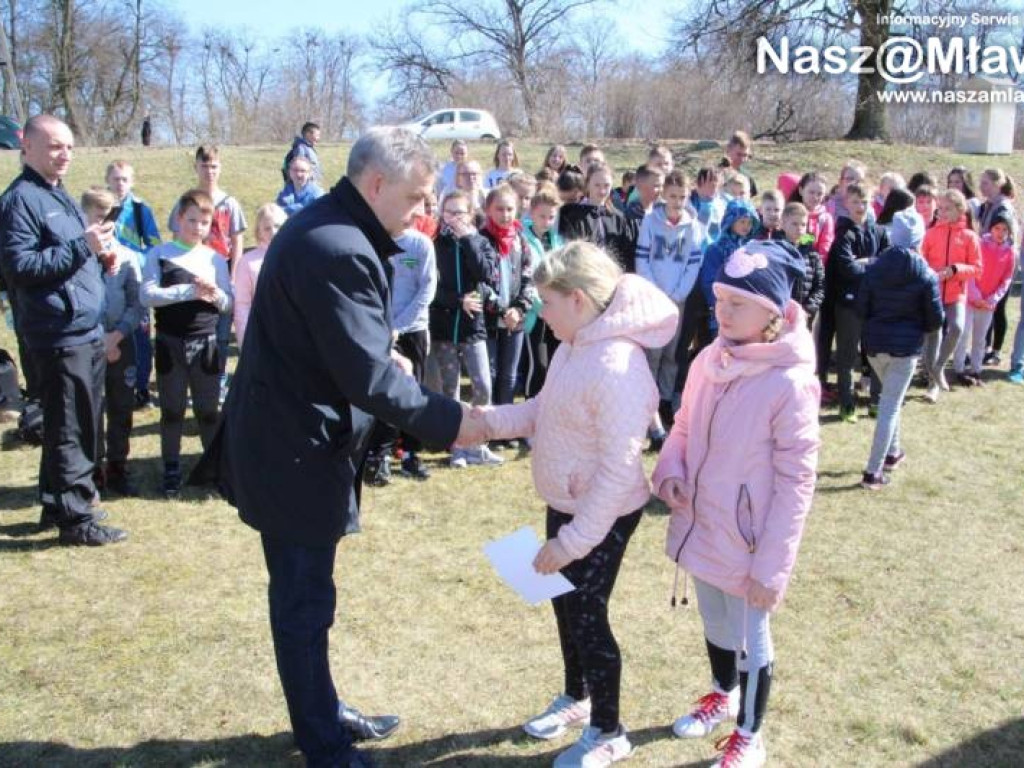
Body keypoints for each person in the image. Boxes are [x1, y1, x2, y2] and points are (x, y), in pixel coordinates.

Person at [194, 127, 485, 768]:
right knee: (302, 603)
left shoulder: (334, 227)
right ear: (376, 184)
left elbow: (346, 346)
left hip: (293, 441)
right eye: (415, 196)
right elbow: (367, 379)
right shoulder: (337, 245)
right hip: (293, 452)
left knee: (310, 597)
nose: (422, 212)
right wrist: (463, 422)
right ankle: (324, 746)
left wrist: (379, 356)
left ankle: (323, 712)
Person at [478, 241, 679, 768]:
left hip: (604, 513)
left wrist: (568, 544)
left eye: (546, 302)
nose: (541, 313)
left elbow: (617, 473)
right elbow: (544, 410)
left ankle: (610, 731)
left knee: (588, 611)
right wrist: (483, 422)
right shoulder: (573, 347)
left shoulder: (617, 368)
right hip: (567, 500)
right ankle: (576, 697)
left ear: (578, 300)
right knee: (563, 603)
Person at [653, 240, 819, 768]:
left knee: (751, 638)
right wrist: (671, 472)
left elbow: (797, 481)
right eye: (719, 299)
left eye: (736, 303)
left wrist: (772, 567)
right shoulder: (709, 358)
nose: (721, 310)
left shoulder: (790, 382)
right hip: (702, 523)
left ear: (771, 313)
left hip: (751, 542)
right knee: (716, 624)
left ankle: (750, 732)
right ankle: (722, 694)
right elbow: (681, 426)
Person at [0, 114, 127, 546]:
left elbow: (72, 256)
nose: (64, 154)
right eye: (55, 146)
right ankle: (77, 520)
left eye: (69, 147)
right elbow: (19, 268)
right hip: (56, 334)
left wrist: (99, 259)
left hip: (84, 329)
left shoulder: (62, 197)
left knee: (81, 424)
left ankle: (58, 504)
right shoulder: (20, 202)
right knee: (69, 427)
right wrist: (82, 248)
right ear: (27, 146)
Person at [142, 189, 233, 498]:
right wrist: (187, 292)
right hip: (170, 343)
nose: (197, 227)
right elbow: (147, 294)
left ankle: (213, 467)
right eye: (192, 220)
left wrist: (213, 294)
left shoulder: (214, 259)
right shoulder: (160, 254)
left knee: (208, 411)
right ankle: (171, 468)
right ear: (179, 218)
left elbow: (228, 303)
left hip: (205, 342)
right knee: (171, 410)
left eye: (204, 223)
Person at [857, 210, 942, 489]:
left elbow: (862, 307)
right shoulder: (926, 274)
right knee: (890, 407)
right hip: (904, 350)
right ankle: (873, 472)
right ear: (918, 239)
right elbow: (935, 319)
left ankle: (893, 454)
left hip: (874, 347)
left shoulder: (875, 268)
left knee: (891, 400)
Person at [426, 189, 502, 469]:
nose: (453, 218)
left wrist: (468, 240)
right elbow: (431, 288)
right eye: (449, 212)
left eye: (460, 212)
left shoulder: (480, 242)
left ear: (471, 215)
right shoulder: (436, 245)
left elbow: (487, 275)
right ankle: (457, 446)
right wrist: (458, 300)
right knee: (451, 390)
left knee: (483, 384)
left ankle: (478, 444)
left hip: (474, 329)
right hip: (445, 328)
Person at [168, 145, 247, 404]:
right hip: (191, 274)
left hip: (221, 272)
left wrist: (233, 276)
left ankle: (218, 382)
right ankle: (194, 384)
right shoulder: (184, 202)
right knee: (193, 331)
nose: (209, 171)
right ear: (196, 168)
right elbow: (174, 237)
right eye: (204, 166)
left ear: (220, 168)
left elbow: (237, 240)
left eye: (214, 166)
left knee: (221, 334)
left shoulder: (229, 203)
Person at [363, 226, 437, 484]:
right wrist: (382, 325)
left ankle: (410, 454)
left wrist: (400, 326)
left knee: (412, 392)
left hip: (413, 330)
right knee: (384, 392)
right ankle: (380, 455)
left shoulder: (421, 245)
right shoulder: (373, 240)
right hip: (380, 329)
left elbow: (427, 290)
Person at [81, 187, 143, 498]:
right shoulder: (79, 260)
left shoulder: (129, 258)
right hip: (88, 344)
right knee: (92, 409)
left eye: (111, 219)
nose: (106, 225)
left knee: (121, 407)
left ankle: (118, 467)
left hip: (122, 343)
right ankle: (94, 471)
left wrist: (116, 336)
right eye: (98, 217)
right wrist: (99, 340)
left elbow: (137, 304)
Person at [635, 169, 704, 444]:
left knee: (672, 354)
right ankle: (647, 408)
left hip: (678, 300)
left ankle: (664, 403)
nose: (677, 202)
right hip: (654, 298)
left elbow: (692, 265)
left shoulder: (693, 227)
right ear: (664, 195)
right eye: (672, 196)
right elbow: (643, 259)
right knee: (652, 352)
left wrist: (678, 293)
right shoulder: (650, 222)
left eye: (682, 196)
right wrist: (656, 292)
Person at [826, 183, 889, 422]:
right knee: (847, 355)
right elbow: (847, 268)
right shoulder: (842, 234)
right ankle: (847, 403)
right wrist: (869, 263)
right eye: (855, 202)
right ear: (846, 204)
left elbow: (886, 264)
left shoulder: (881, 233)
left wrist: (865, 262)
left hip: (874, 303)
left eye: (864, 202)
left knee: (874, 353)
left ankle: (876, 401)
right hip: (849, 304)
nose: (860, 207)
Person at [105, 159, 162, 409]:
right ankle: (110, 383)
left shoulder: (141, 211)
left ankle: (140, 387)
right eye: (115, 179)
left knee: (140, 334)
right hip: (107, 281)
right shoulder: (101, 207)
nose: (120, 184)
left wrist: (131, 257)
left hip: (135, 278)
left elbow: (154, 247)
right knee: (109, 330)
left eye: (124, 179)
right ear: (107, 180)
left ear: (132, 181)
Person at [480, 185, 535, 420]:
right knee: (490, 373)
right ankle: (490, 424)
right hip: (490, 319)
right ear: (488, 210)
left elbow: (529, 278)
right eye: (499, 209)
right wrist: (502, 310)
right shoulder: (480, 241)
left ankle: (506, 424)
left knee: (509, 376)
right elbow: (480, 283)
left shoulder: (521, 242)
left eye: (510, 209)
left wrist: (519, 308)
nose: (505, 214)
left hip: (516, 320)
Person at [920, 189, 981, 403]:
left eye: (948, 208)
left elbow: (977, 268)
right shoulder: (931, 233)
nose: (943, 212)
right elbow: (921, 261)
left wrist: (956, 269)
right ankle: (932, 385)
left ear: (959, 209)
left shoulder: (969, 236)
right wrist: (930, 274)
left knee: (957, 327)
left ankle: (938, 367)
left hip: (957, 293)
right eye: (941, 208)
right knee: (933, 335)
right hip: (933, 293)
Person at [953, 213, 1014, 387]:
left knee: (980, 339)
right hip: (971, 300)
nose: (1000, 233)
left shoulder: (1010, 252)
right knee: (963, 334)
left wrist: (993, 298)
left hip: (988, 303)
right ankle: (958, 368)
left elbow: (1007, 279)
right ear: (990, 228)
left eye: (1004, 229)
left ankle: (976, 369)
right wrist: (975, 295)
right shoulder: (979, 244)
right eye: (997, 228)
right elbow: (970, 271)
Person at [520, 184, 564, 398]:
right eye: (542, 216)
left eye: (551, 217)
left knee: (556, 364)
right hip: (535, 313)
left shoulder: (557, 240)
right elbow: (526, 277)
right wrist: (540, 307)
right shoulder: (523, 239)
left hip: (556, 312)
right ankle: (530, 405)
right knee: (538, 365)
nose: (546, 221)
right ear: (532, 213)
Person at [558, 162, 636, 273]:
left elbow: (626, 255)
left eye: (606, 185)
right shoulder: (573, 215)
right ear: (587, 184)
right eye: (597, 185)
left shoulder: (618, 219)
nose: (602, 191)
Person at [233, 203, 287, 349]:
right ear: (259, 231)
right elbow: (242, 306)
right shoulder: (247, 262)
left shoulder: (297, 257)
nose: (273, 232)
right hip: (262, 337)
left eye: (278, 225)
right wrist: (245, 344)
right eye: (267, 228)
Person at [777, 202, 825, 325]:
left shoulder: (812, 254)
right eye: (794, 224)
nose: (799, 228)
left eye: (803, 224)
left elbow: (820, 285)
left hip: (804, 316)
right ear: (782, 224)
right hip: (780, 315)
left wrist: (807, 309)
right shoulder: (775, 251)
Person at [718, 131, 758, 196]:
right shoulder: (715, 174)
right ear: (728, 150)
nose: (742, 159)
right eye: (739, 154)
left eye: (745, 155)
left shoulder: (747, 176)